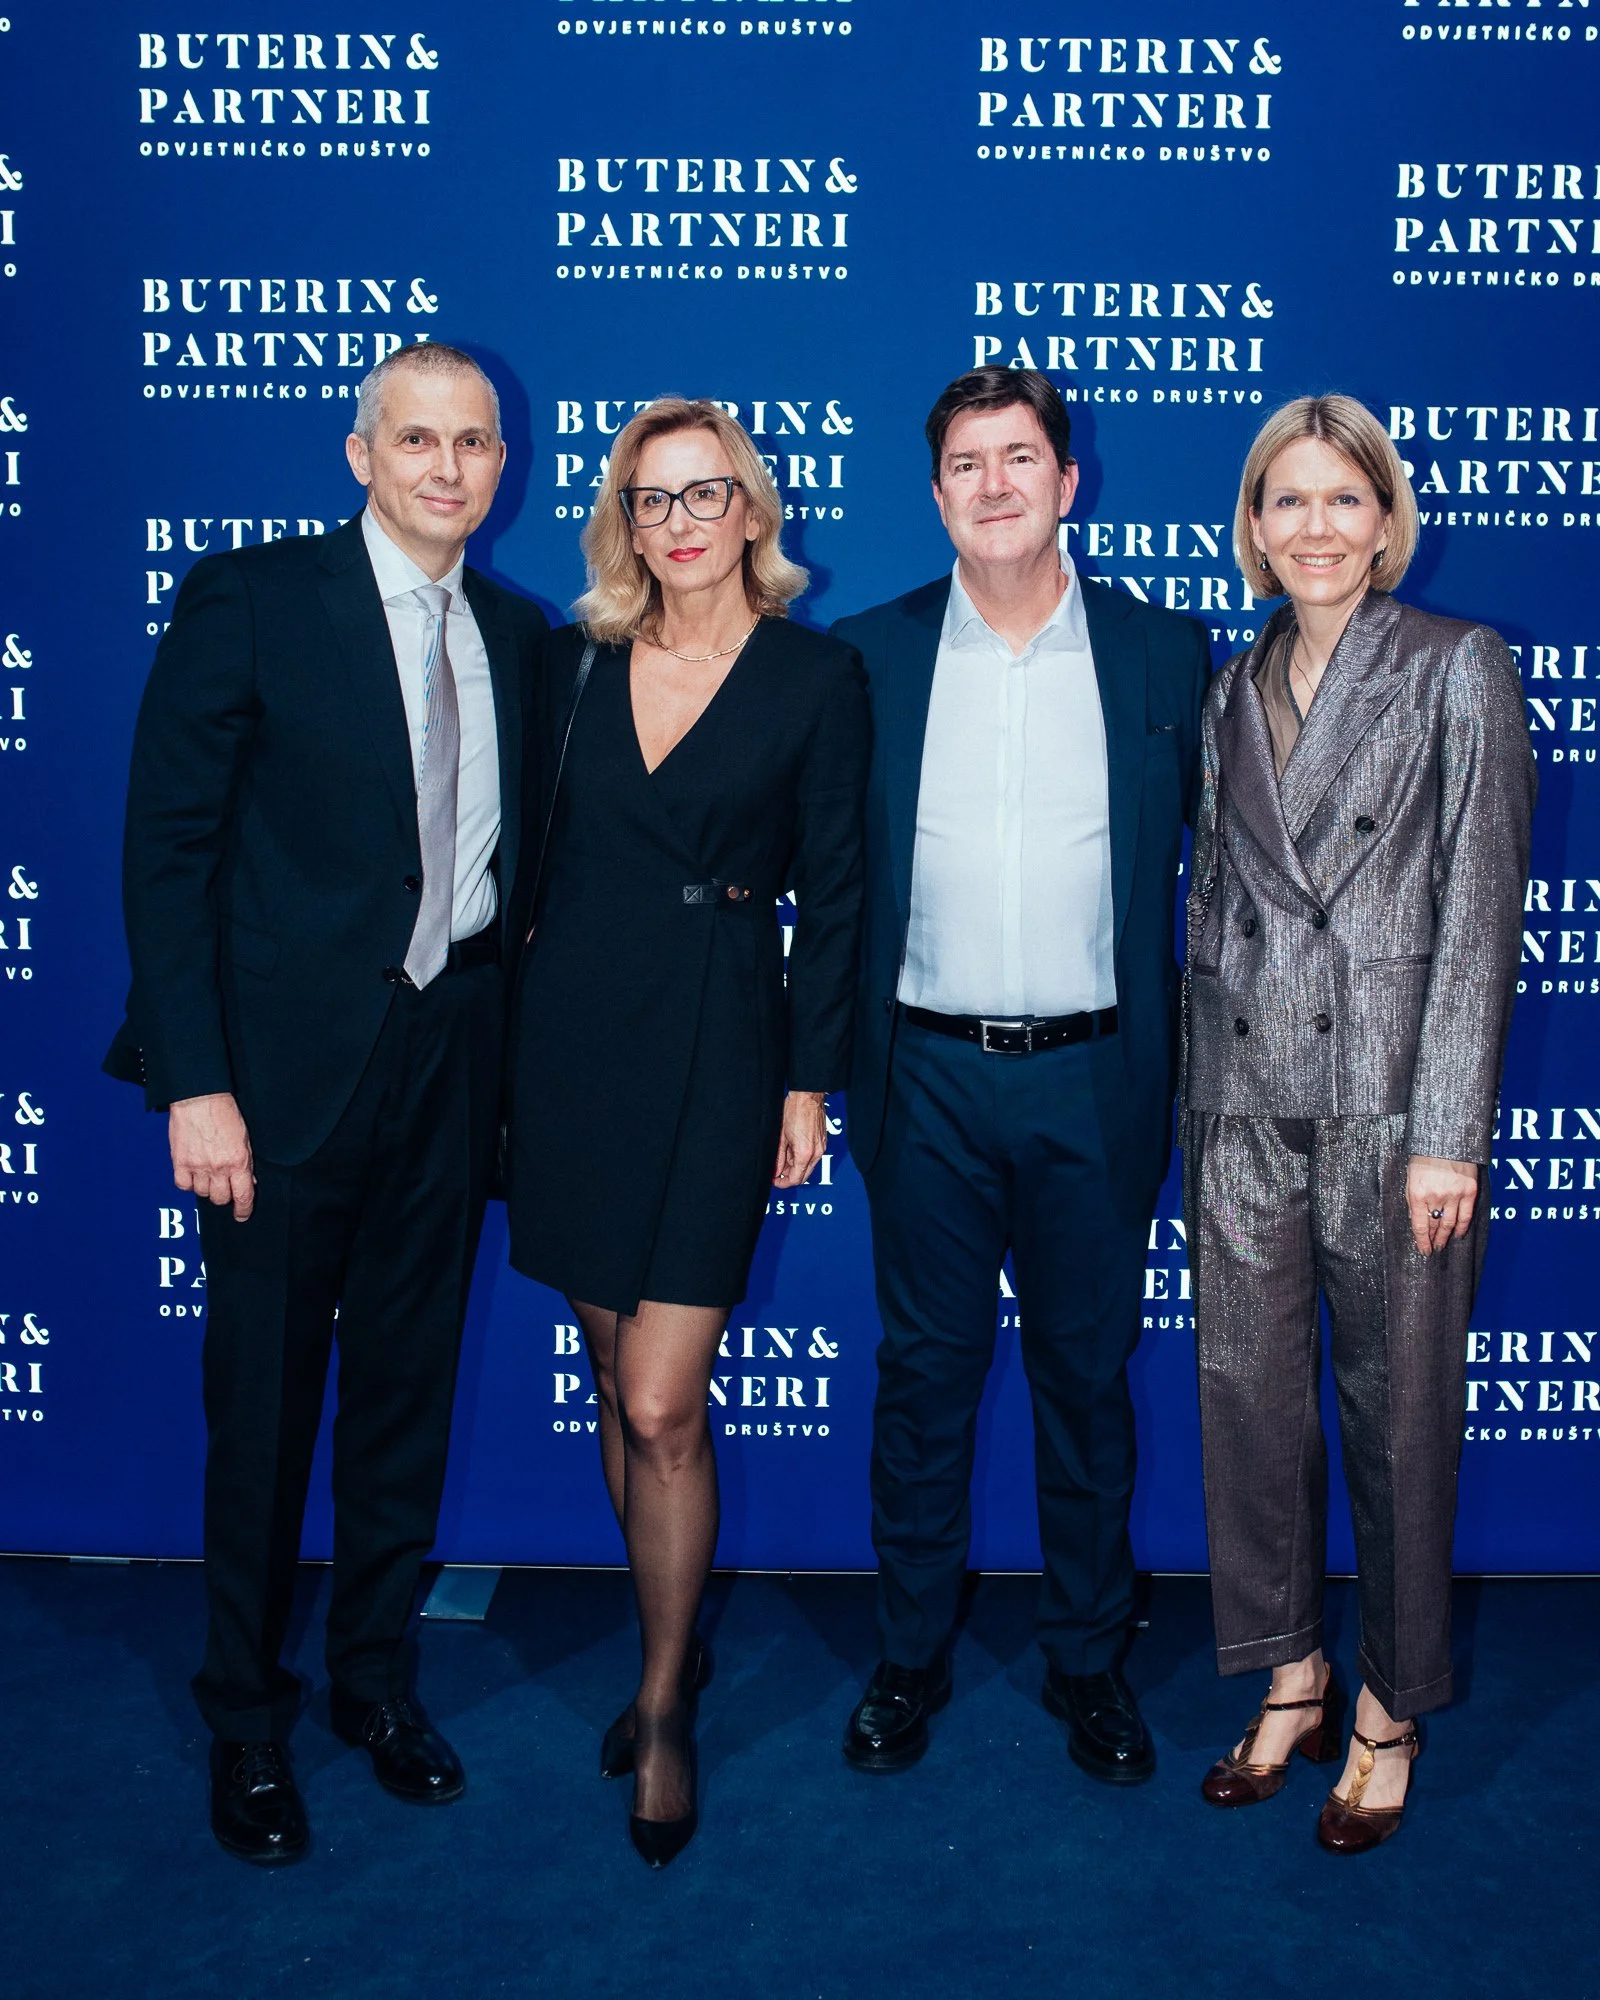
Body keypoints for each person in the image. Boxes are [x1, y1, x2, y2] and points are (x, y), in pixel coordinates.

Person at [105, 344, 547, 1866]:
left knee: (406, 1404)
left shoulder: (516, 632)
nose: (445, 467)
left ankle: (375, 1684)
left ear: (504, 465)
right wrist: (196, 1083)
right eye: (414, 439)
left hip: (449, 1069)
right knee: (266, 1415)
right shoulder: (254, 599)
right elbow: (166, 853)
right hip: (276, 1087)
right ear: (360, 454)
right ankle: (246, 1721)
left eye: (472, 443)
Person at [504, 398, 869, 1867]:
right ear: (624, 521)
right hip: (571, 1039)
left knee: (663, 1400)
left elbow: (837, 890)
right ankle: (672, 1644)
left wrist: (807, 1082)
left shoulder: (817, 675)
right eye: (653, 499)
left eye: (707, 490)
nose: (682, 520)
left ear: (754, 506)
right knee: (610, 1370)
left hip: (724, 1035)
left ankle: (662, 1705)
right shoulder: (569, 666)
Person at [833, 368, 1210, 1785]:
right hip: (922, 1076)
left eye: (1021, 458)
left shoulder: (1164, 655)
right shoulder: (864, 659)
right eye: (967, 465)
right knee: (922, 1379)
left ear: (1068, 481)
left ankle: (1088, 1661)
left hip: (1095, 1077)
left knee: (1085, 1380)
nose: (995, 484)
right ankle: (909, 1653)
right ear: (935, 496)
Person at [1183, 394, 1535, 1853]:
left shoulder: (1459, 666)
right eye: (1288, 502)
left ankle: (1391, 1699)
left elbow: (1479, 912)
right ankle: (1291, 1671)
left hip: (1398, 1111)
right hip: (1246, 1105)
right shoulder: (1228, 684)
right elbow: (1213, 905)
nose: (1315, 528)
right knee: (1250, 1411)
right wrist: (1198, 1106)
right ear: (1254, 529)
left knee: (1397, 1424)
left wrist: (1448, 1125)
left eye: (1343, 501)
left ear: (1387, 523)